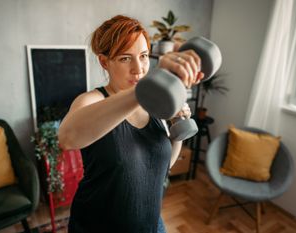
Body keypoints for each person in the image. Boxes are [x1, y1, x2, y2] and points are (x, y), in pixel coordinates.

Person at [58, 15, 204, 233]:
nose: (139, 68)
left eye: (143, 56)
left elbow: (161, 166)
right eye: (126, 58)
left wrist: (176, 129)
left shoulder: (154, 103)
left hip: (151, 226)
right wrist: (147, 88)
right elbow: (67, 138)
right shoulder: (91, 101)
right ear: (104, 61)